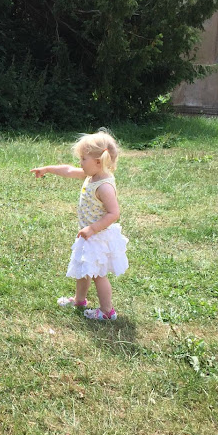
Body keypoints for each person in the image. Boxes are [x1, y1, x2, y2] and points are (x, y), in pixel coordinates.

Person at [30, 128, 128, 320]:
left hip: (97, 236)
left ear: (98, 161)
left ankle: (107, 311)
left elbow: (114, 213)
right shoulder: (92, 176)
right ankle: (79, 300)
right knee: (84, 269)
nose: (80, 163)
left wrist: (92, 229)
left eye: (83, 159)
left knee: (98, 275)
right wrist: (47, 169)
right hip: (88, 235)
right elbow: (67, 170)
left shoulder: (104, 186)